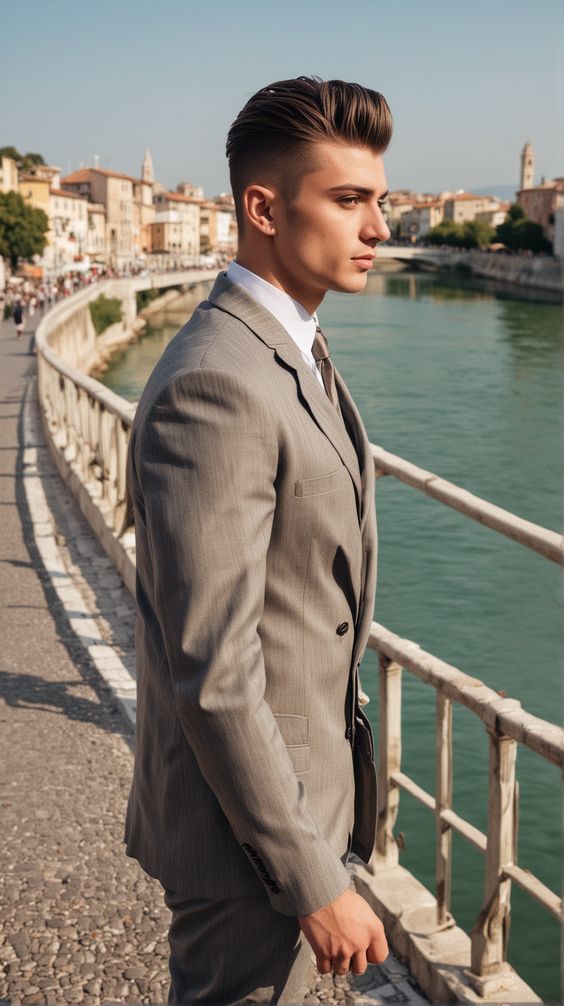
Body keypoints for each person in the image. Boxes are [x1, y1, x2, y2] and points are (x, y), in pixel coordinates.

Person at [123, 75, 392, 1004]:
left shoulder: (290, 349)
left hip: (292, 817)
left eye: (380, 200)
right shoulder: (220, 382)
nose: (379, 228)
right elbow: (215, 667)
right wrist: (312, 877)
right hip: (249, 849)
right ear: (264, 208)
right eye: (349, 200)